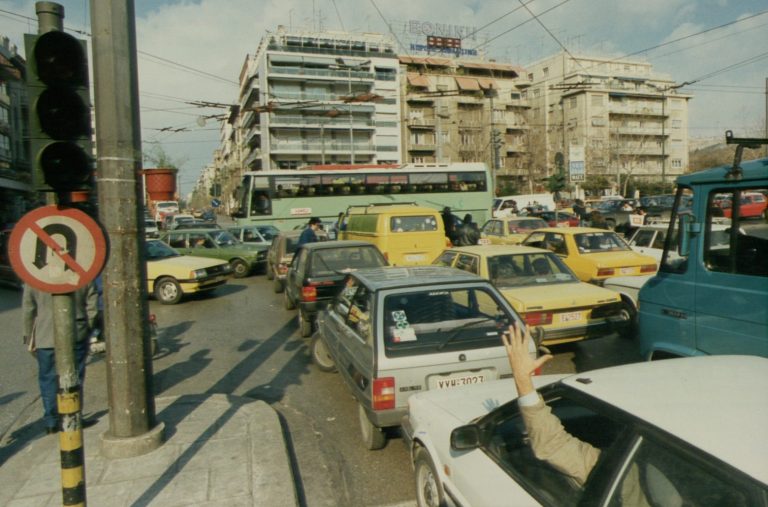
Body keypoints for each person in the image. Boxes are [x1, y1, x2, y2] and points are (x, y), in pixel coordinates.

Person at [23, 282, 98, 434]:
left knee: (48, 379)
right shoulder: (81, 274)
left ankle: (51, 422)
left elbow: (29, 309)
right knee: (74, 377)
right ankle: (73, 417)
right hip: (75, 333)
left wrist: (28, 335)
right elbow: (92, 307)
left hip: (45, 336)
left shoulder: (36, 276)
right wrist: (86, 327)